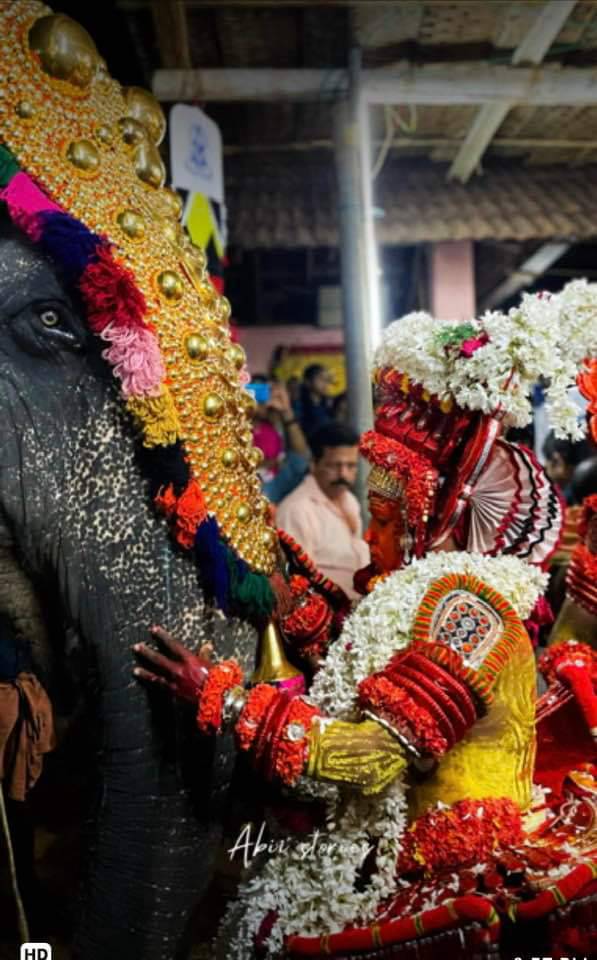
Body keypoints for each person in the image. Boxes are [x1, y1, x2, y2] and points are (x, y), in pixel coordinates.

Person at [135, 292, 597, 958]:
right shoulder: (426, 596)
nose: (371, 541)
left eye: (385, 522)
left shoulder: (469, 615)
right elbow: (360, 660)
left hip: (438, 866)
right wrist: (289, 593)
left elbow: (371, 757)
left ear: (431, 522)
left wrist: (227, 699)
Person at [275, 422, 369, 599]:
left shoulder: (350, 501)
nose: (343, 474)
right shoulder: (297, 510)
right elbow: (298, 583)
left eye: (351, 466)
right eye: (335, 465)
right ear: (314, 464)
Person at [293, 363, 335, 438]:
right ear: (307, 382)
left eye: (327, 379)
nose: (325, 383)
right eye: (321, 379)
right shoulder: (299, 405)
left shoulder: (328, 404)